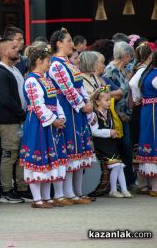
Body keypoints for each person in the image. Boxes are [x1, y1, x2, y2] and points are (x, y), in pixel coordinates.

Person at [48, 28, 95, 205]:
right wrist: (82, 105)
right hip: (67, 108)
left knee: (79, 150)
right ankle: (67, 193)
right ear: (59, 43)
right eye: (68, 41)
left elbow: (79, 85)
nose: (72, 44)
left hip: (77, 108)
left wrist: (87, 102)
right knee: (68, 149)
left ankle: (77, 192)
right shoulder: (56, 64)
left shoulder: (69, 63)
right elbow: (66, 89)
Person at [21, 44, 68, 208]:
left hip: (50, 123)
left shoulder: (46, 79)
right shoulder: (31, 80)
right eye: (48, 61)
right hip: (38, 124)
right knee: (38, 157)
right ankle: (37, 199)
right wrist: (52, 119)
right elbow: (36, 105)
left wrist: (61, 117)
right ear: (39, 61)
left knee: (48, 160)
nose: (50, 64)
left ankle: (47, 198)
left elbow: (55, 101)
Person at [0, 38, 29, 203]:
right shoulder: (0, 72)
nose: (18, 49)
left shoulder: (14, 69)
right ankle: (6, 191)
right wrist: (21, 113)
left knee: (21, 155)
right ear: (5, 52)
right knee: (9, 155)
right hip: (8, 121)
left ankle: (22, 188)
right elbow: (6, 99)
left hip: (18, 119)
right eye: (14, 48)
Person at [88, 88, 133, 198]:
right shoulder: (94, 115)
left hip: (109, 143)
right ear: (98, 102)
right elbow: (94, 131)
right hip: (100, 144)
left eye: (110, 100)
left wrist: (113, 133)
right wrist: (109, 132)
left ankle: (124, 189)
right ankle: (113, 190)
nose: (109, 102)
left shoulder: (108, 113)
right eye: (106, 100)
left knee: (119, 165)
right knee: (116, 164)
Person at [104, 41, 135, 186]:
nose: (131, 58)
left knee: (127, 149)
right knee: (122, 148)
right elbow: (107, 95)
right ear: (124, 55)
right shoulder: (110, 70)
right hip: (116, 116)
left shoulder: (124, 70)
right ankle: (122, 181)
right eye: (130, 56)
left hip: (126, 114)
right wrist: (117, 112)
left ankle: (128, 180)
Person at [135, 48, 157, 196]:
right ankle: (156, 187)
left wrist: (137, 99)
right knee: (154, 142)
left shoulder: (147, 73)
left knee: (147, 142)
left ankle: (142, 184)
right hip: (156, 113)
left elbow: (134, 86)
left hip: (147, 111)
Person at [128, 44, 153, 194]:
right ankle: (142, 182)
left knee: (139, 143)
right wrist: (139, 96)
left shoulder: (138, 68)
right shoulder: (143, 69)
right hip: (141, 107)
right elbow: (132, 84)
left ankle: (143, 182)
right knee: (140, 143)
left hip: (139, 107)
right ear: (150, 56)